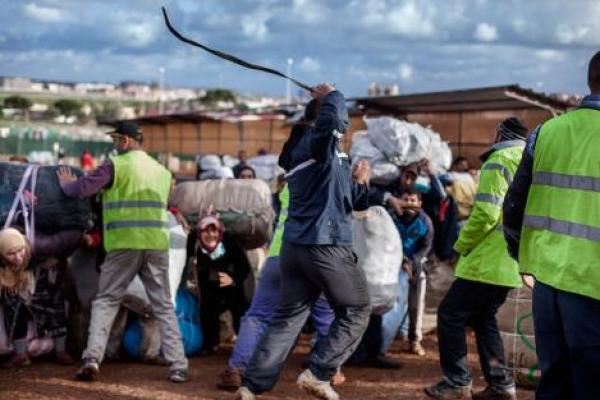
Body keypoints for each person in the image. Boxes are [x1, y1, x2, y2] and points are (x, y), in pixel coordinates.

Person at [235, 84, 372, 400]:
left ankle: (251, 386)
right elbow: (333, 121)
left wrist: (361, 184)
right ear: (321, 118)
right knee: (357, 307)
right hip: (325, 245)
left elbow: (347, 200)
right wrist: (333, 95)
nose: (345, 127)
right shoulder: (318, 143)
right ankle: (320, 373)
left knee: (287, 318)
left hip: (294, 249)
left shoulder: (307, 155)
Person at [56, 121, 188, 383]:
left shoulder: (115, 165)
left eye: (116, 140)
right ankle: (179, 366)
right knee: (163, 305)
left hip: (124, 244)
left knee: (106, 300)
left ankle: (92, 359)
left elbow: (82, 189)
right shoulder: (162, 172)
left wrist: (67, 184)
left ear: (125, 141)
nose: (114, 145)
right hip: (156, 243)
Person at [503, 51, 600, 400]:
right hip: (592, 287)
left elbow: (513, 206)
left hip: (547, 282)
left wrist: (522, 259)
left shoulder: (545, 133)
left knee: (555, 381)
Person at [425, 117, 528, 400]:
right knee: (484, 319)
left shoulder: (500, 159)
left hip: (487, 259)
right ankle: (500, 384)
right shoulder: (531, 158)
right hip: (510, 259)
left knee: (450, 314)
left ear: (500, 134)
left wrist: (460, 245)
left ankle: (457, 382)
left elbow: (486, 214)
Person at [217, 182, 339, 391]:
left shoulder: (292, 183)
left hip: (280, 255)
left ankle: (236, 369)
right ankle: (330, 371)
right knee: (325, 316)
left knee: (258, 316)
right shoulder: (333, 178)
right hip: (317, 257)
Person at [0, 227, 82, 367]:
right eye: (11, 254)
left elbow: (67, 244)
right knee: (14, 305)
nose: (18, 257)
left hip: (44, 284)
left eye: (20, 251)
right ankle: (21, 354)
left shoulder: (39, 250)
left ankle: (61, 350)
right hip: (18, 295)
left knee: (55, 302)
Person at [188, 214, 251, 355]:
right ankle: (210, 345)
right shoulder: (194, 242)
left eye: (214, 230)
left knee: (240, 310)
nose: (210, 235)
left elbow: (243, 267)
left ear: (220, 232)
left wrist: (233, 280)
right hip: (209, 285)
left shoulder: (230, 242)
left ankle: (244, 346)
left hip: (231, 286)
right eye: (206, 231)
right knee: (207, 311)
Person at [385, 188, 433, 357]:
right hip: (390, 265)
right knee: (386, 303)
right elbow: (385, 240)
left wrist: (411, 262)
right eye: (405, 199)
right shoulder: (390, 217)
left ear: (420, 203)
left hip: (416, 267)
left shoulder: (425, 221)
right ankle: (381, 342)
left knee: (416, 305)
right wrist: (403, 259)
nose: (409, 203)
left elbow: (426, 247)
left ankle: (414, 340)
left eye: (413, 200)